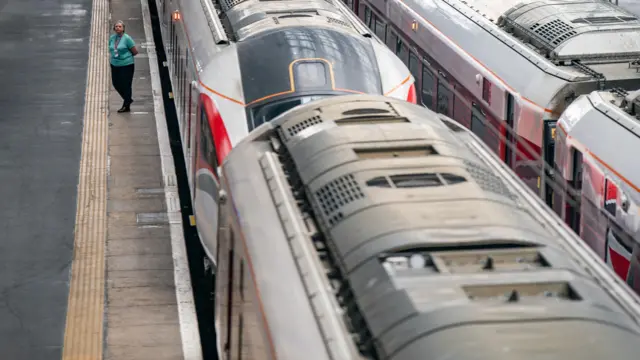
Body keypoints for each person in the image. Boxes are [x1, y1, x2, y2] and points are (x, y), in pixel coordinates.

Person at [109, 21, 138, 113]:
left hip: (127, 65)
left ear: (123, 28)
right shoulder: (112, 38)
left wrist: (126, 57)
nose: (118, 28)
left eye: (120, 26)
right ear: (114, 28)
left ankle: (126, 105)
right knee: (116, 83)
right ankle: (128, 99)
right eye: (116, 26)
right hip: (114, 64)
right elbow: (110, 48)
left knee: (126, 84)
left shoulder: (127, 38)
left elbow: (135, 51)